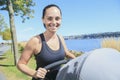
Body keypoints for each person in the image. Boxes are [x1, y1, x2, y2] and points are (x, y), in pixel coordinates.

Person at [17, 4, 76, 80]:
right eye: (49, 18)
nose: (54, 22)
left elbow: (66, 53)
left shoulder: (60, 37)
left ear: (61, 19)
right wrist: (34, 73)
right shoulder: (35, 41)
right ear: (43, 20)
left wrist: (79, 61)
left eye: (57, 18)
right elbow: (21, 64)